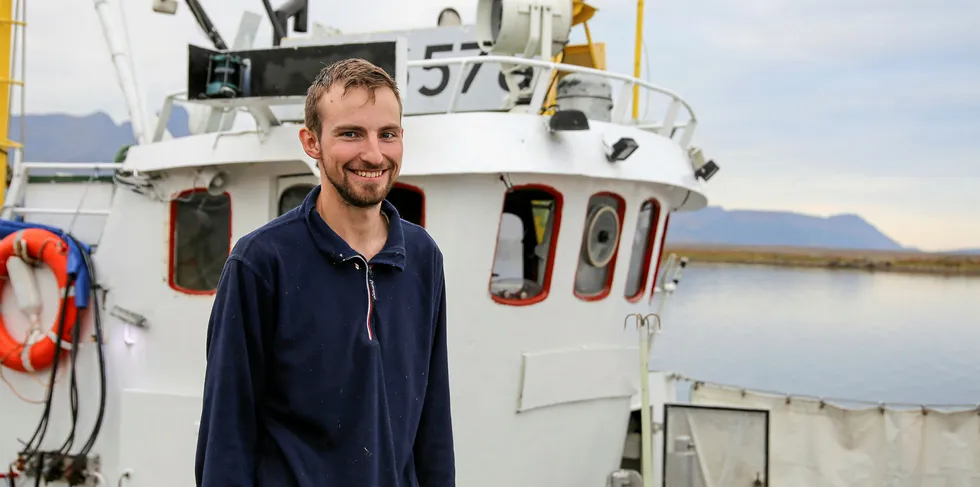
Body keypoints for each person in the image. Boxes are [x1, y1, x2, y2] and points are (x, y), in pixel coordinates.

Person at [195, 58, 455, 487]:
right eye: (351, 133)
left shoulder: (422, 256)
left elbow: (433, 419)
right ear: (311, 141)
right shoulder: (260, 262)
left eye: (386, 134)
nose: (373, 154)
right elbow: (227, 431)